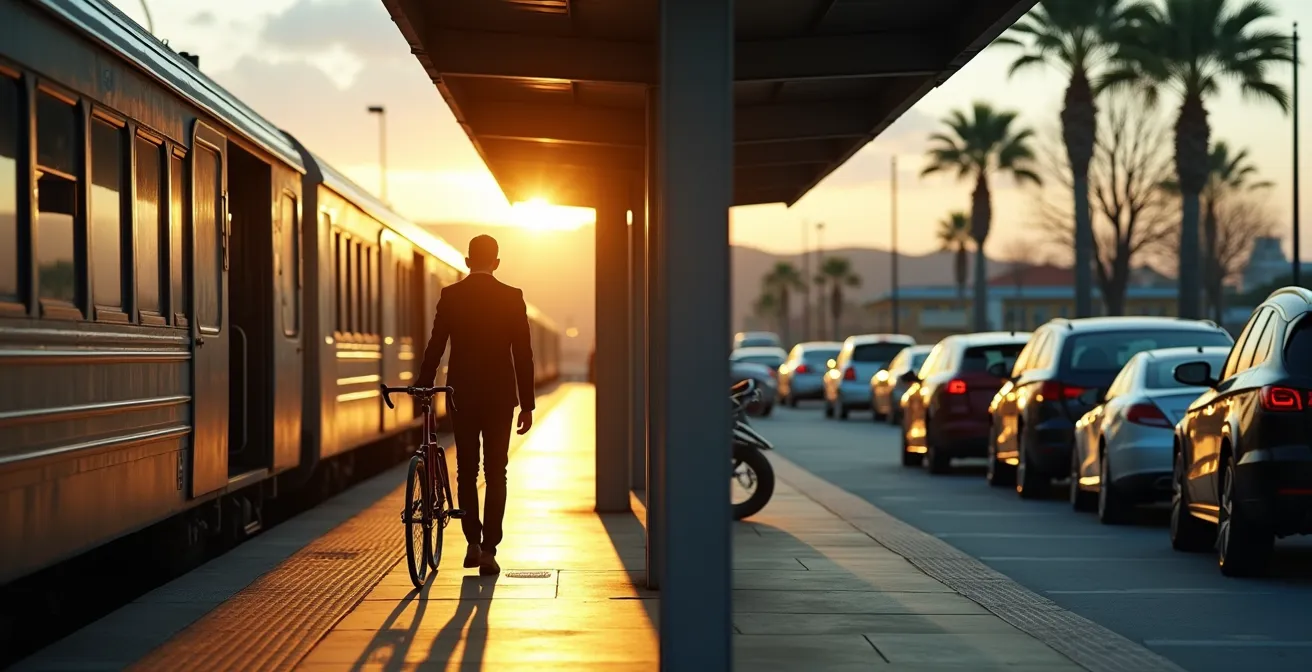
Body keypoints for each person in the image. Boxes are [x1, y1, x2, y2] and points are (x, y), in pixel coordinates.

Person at [416, 234, 535, 576]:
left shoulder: (451, 296)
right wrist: (526, 404)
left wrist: (425, 384)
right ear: (496, 262)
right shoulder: (512, 297)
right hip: (500, 397)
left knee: (466, 470)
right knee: (497, 472)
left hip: (461, 394)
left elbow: (436, 345)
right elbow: (523, 354)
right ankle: (489, 549)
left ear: (468, 262)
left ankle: (471, 542)